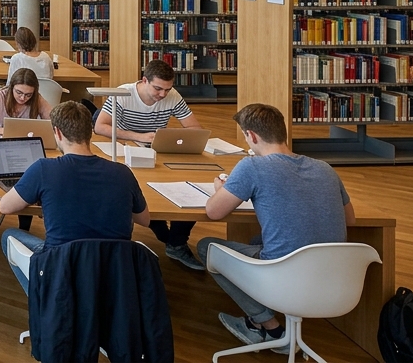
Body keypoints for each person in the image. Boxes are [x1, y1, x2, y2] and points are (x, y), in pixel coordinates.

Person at [198, 103, 356, 350]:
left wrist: (221, 190)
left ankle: (271, 328)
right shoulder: (325, 168)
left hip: (283, 275)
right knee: (254, 240)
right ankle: (260, 321)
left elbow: (213, 211)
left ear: (251, 135)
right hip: (335, 277)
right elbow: (350, 220)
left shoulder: (252, 166)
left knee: (206, 246)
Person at [0, 101, 151, 294]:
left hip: (62, 269)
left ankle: (44, 302)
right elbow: (144, 220)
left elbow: (5, 206)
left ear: (58, 133)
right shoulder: (122, 173)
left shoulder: (44, 169)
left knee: (9, 235)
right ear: (90, 132)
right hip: (113, 272)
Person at [96, 58, 206, 270]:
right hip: (126, 150)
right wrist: (138, 136)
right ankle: (169, 237)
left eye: (167, 89)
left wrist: (166, 137)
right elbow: (100, 127)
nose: (162, 95)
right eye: (157, 88)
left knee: (191, 188)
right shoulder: (124, 93)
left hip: (157, 151)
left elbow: (195, 129)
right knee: (135, 190)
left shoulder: (172, 96)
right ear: (144, 80)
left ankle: (175, 240)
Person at [0, 68, 54, 132]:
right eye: (19, 92)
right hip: (1, 139)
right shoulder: (0, 96)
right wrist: (0, 130)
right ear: (11, 87)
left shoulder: (37, 99)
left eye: (28, 95)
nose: (23, 98)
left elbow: (55, 122)